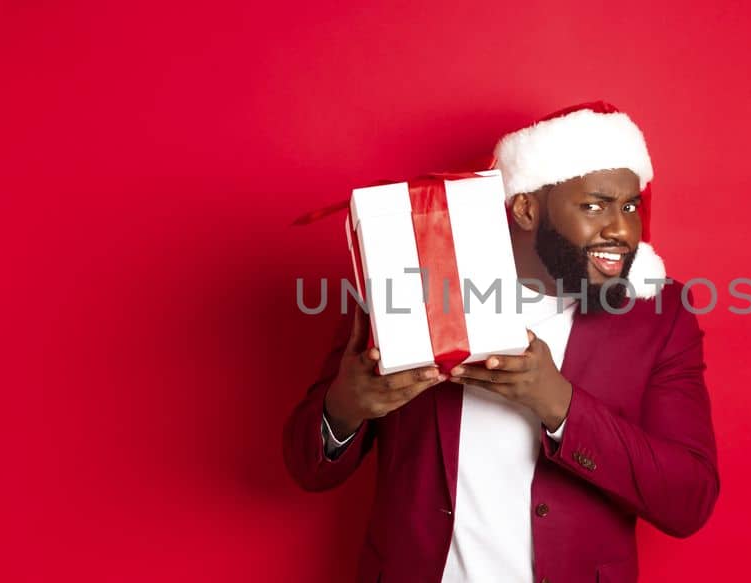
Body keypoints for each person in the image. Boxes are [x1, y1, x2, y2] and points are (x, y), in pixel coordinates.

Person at [283, 102, 720, 583]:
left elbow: (688, 501)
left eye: (630, 206)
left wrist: (557, 403)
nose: (619, 228)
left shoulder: (658, 314)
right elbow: (308, 470)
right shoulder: (410, 281)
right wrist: (343, 408)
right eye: (594, 206)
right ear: (526, 208)